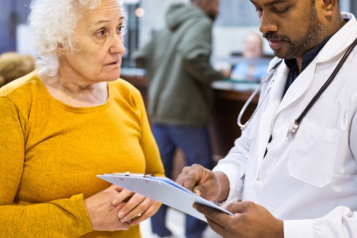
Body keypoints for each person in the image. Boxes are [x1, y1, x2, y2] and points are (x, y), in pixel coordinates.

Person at [177, 0, 357, 237]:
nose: (264, 26)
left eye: (281, 9)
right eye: (259, 9)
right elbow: (250, 149)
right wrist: (221, 182)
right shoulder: (280, 66)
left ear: (327, 3)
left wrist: (280, 232)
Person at [0, 0, 165, 237]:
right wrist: (82, 216)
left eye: (119, 29)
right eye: (101, 33)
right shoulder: (13, 105)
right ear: (60, 41)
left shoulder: (128, 95)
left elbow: (156, 175)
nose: (120, 47)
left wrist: (150, 197)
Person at [134, 0, 223, 237]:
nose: (220, 8)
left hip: (161, 110)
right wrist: (215, 75)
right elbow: (193, 56)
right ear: (206, 3)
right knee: (200, 175)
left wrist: (163, 74)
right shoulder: (201, 23)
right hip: (187, 113)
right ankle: (193, 233)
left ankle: (160, 230)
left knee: (158, 175)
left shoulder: (166, 27)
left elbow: (141, 57)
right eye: (218, 2)